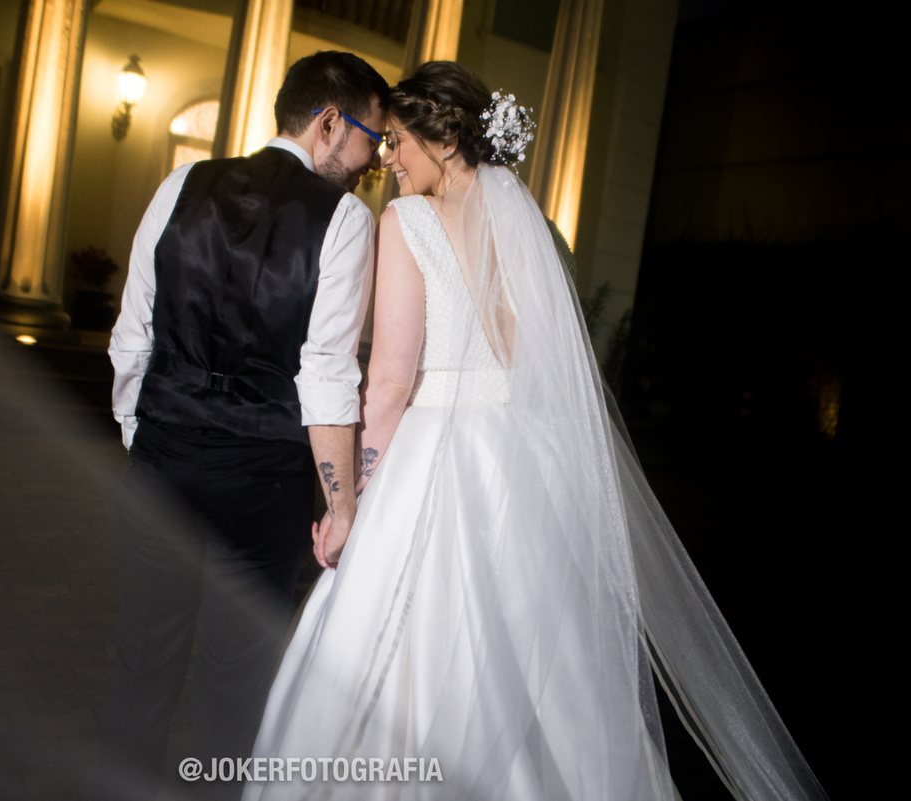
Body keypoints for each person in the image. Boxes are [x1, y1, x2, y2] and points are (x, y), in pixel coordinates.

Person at [247, 62, 828, 801]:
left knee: (397, 649)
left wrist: (351, 502)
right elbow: (535, 362)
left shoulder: (407, 222)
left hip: (435, 454)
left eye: (397, 141)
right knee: (530, 655)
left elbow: (389, 380)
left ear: (446, 137)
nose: (388, 158)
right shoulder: (532, 226)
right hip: (521, 461)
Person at [103, 51, 387, 799]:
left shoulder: (179, 183)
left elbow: (132, 334)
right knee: (235, 689)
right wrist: (343, 502)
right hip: (264, 487)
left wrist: (150, 437)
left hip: (163, 461)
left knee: (140, 669)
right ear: (330, 123)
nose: (372, 162)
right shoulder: (346, 221)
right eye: (370, 140)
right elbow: (327, 374)